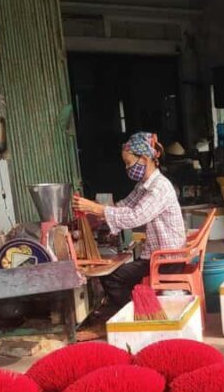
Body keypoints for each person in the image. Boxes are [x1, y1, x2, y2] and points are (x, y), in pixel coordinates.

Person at [73, 131, 186, 309]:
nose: (127, 169)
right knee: (119, 276)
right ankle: (138, 308)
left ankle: (139, 313)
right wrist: (94, 213)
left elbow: (135, 216)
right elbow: (125, 205)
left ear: (143, 158)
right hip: (159, 256)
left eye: (128, 163)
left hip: (167, 260)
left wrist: (96, 209)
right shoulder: (144, 186)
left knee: (112, 279)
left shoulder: (159, 187)